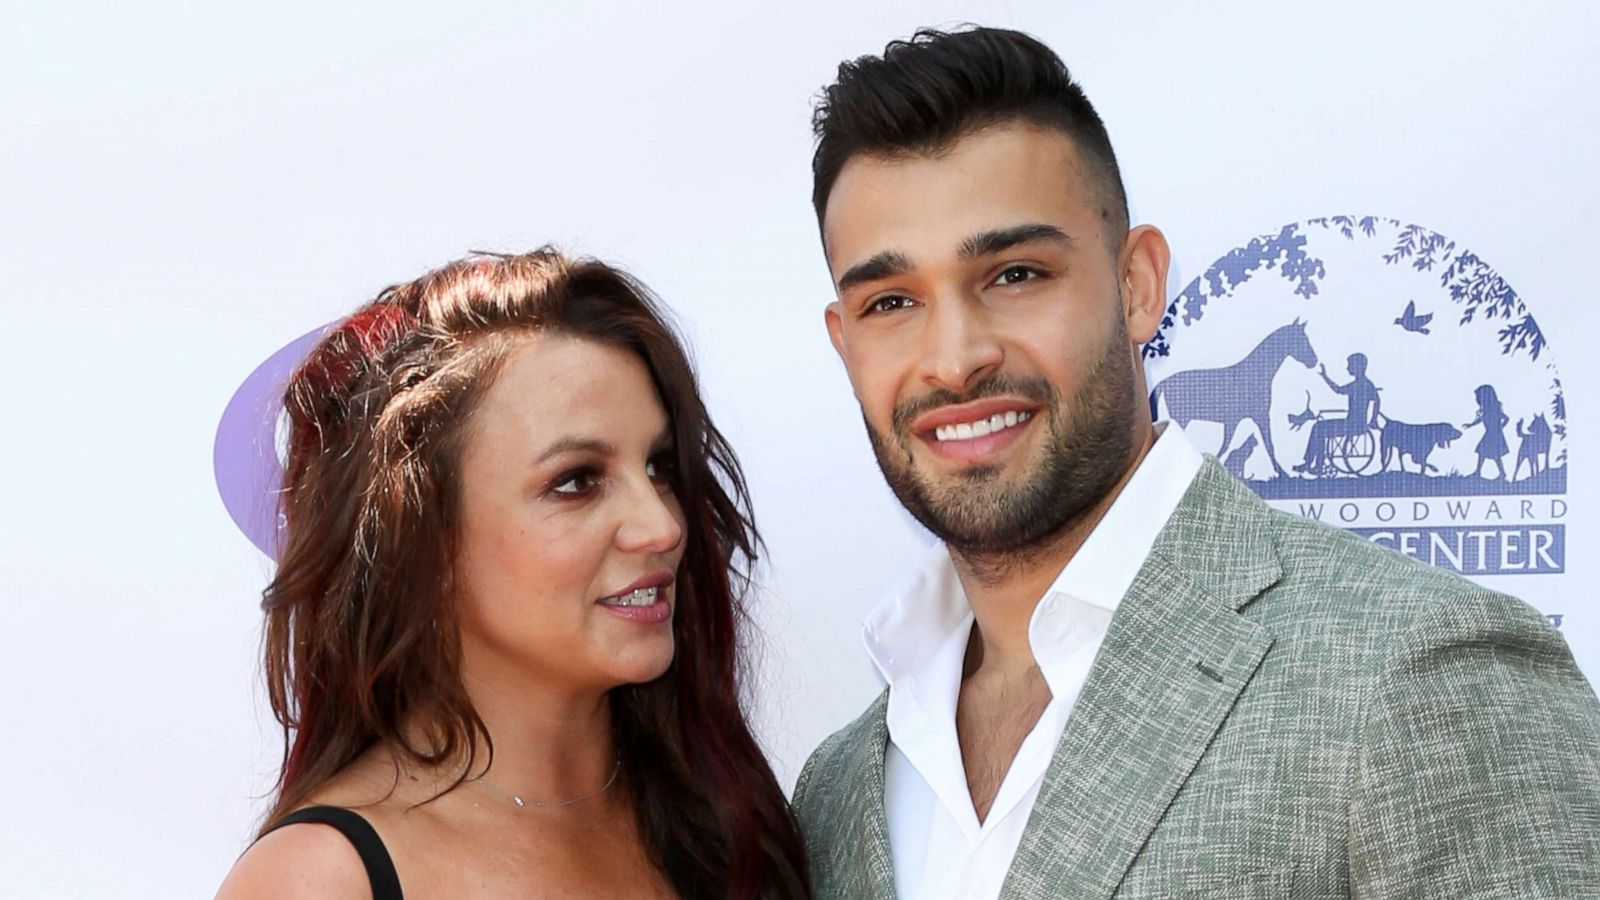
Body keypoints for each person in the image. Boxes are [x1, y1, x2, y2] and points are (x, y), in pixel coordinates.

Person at [791, 26, 1600, 899]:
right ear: (845, 342)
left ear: (1137, 285)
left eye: (1015, 274)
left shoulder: (1418, 676)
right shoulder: (834, 792)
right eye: (892, 301)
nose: (955, 358)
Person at [217, 249, 809, 898]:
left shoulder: (727, 828)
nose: (662, 527)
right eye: (577, 481)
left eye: (659, 467)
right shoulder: (324, 880)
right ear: (424, 538)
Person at [1295, 352, 1381, 476]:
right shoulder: (1362, 384)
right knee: (1319, 427)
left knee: (1319, 428)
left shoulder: (1361, 385)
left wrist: (1373, 420)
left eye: (1350, 365)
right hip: (1352, 422)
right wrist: (1373, 419)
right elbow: (1376, 401)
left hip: (1355, 425)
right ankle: (1313, 464)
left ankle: (1313, 464)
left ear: (1358, 367)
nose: (1347, 368)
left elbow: (1339, 390)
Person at [1464, 382, 1511, 480]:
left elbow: (1506, 418)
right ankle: (1480, 472)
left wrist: (1501, 427)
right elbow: (1481, 419)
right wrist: (1471, 424)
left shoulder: (1494, 408)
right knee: (1486, 453)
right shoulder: (1487, 409)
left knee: (1489, 453)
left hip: (1494, 433)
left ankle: (1499, 473)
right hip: (1490, 433)